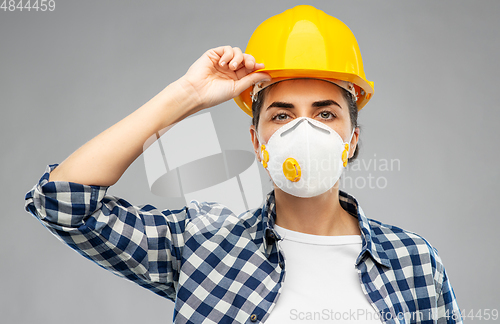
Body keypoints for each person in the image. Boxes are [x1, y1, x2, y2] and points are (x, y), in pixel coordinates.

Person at [24, 5, 462, 324]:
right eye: (282, 114)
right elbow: (63, 201)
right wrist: (188, 95)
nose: (303, 130)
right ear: (257, 141)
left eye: (326, 113)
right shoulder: (202, 246)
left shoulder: (413, 262)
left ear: (352, 140)